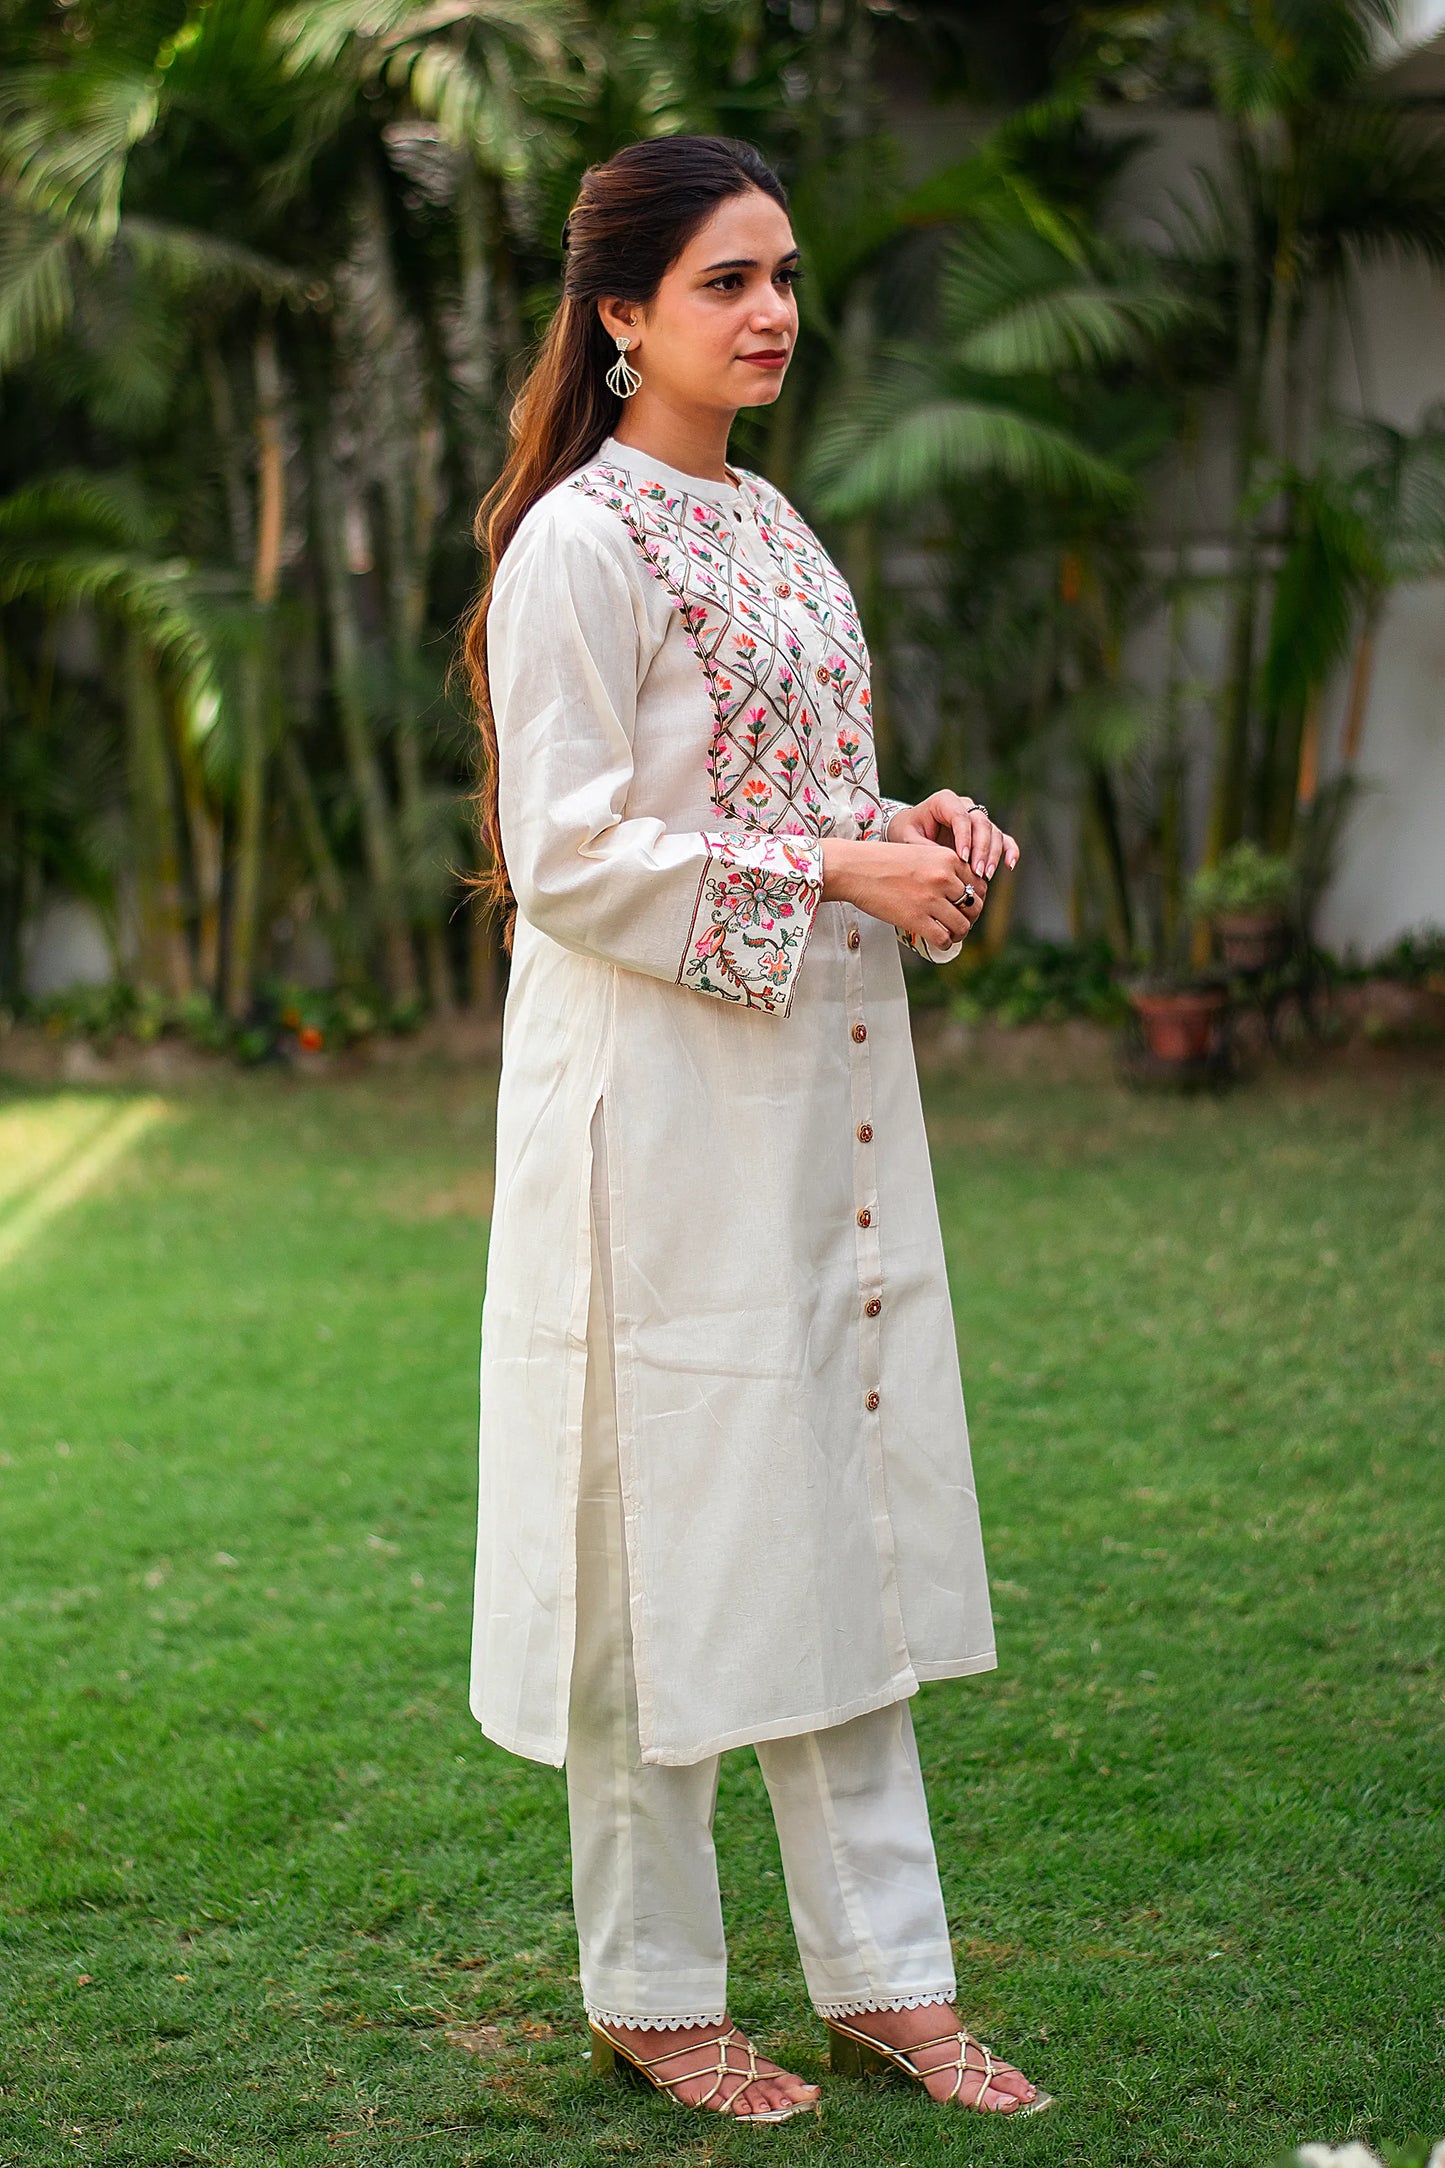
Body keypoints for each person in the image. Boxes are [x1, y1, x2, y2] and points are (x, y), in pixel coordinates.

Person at [460, 133, 1051, 2125]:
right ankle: (650, 1982)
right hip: (655, 1136)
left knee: (841, 1531)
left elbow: (808, 800)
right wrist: (834, 861)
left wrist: (918, 835)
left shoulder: (782, 529)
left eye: (784, 273)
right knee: (662, 1557)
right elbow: (569, 856)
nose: (774, 308)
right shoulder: (580, 546)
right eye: (728, 280)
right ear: (621, 315)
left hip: (816, 1116)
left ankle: (889, 1976)